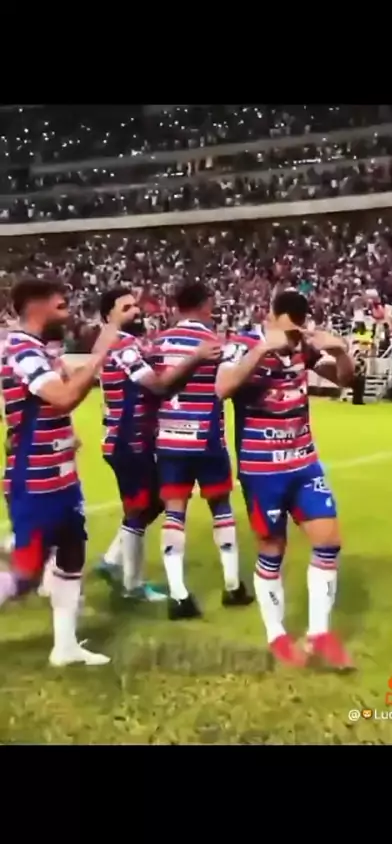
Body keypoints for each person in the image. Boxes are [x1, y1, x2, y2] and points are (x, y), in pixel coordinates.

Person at [215, 291, 355, 668]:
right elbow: (223, 388)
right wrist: (263, 349)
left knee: (329, 542)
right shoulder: (243, 344)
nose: (294, 335)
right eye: (289, 326)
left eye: (299, 326)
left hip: (304, 463)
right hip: (262, 469)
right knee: (272, 550)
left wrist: (340, 352)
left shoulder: (302, 347)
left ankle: (319, 634)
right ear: (271, 317)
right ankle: (276, 634)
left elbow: (345, 381)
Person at [0, 277, 130, 666]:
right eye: (59, 300)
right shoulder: (22, 350)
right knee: (26, 574)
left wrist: (66, 436)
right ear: (35, 304)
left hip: (61, 475)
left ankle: (66, 646)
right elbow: (64, 397)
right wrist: (104, 342)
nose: (66, 305)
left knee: (72, 554)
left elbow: (62, 397)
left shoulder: (42, 349)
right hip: (35, 479)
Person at [95, 287, 221, 599]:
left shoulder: (126, 343)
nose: (136, 311)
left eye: (135, 306)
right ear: (108, 316)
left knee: (152, 503)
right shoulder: (122, 346)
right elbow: (158, 386)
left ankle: (113, 561)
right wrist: (196, 357)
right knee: (140, 509)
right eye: (126, 308)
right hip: (127, 442)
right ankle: (131, 584)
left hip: (134, 439)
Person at [153, 281, 253, 620]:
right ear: (205, 304)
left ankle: (178, 594)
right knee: (221, 507)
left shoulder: (159, 342)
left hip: (169, 439)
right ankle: (232, 585)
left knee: (174, 512)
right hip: (206, 438)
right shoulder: (214, 344)